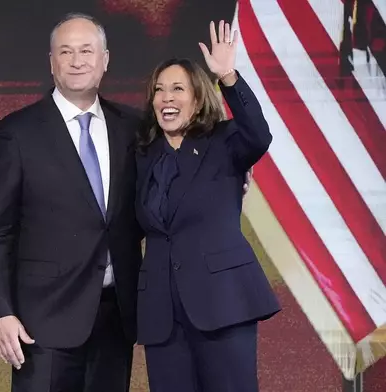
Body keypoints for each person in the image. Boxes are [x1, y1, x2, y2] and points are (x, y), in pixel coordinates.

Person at [0, 12, 142, 392]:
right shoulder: (16, 133)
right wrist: (1, 312)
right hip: (41, 325)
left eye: (86, 50)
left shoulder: (132, 127)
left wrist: (230, 175)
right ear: (52, 63)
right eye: (65, 52)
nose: (77, 60)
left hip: (116, 319)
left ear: (105, 60)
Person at [134, 21, 281, 392]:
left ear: (197, 99)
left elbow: (258, 134)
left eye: (178, 89)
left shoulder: (223, 142)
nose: (167, 98)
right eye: (159, 91)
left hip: (223, 304)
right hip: (163, 316)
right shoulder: (142, 156)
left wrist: (228, 77)